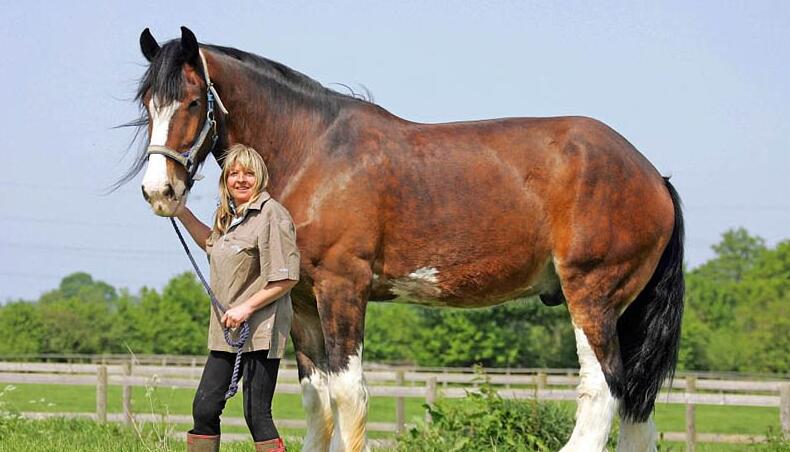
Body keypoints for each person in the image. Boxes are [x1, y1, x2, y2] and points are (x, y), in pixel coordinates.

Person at [175, 144, 299, 452]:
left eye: (248, 173)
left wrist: (245, 308)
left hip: (260, 330)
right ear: (225, 180)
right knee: (204, 408)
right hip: (226, 331)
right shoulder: (230, 217)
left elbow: (285, 277)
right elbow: (213, 245)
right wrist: (180, 211)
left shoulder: (272, 215)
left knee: (256, 414)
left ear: (260, 178)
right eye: (233, 173)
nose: (240, 180)